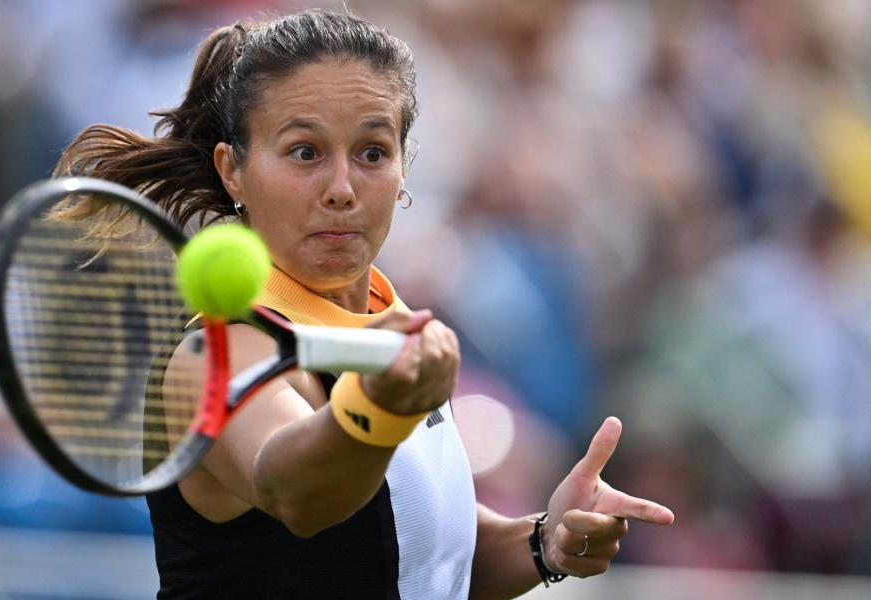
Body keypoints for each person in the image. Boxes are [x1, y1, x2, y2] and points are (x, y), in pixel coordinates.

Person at [53, 9, 674, 599]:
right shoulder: (214, 353)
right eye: (305, 152)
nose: (343, 188)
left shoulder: (385, 313)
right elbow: (296, 491)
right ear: (232, 170)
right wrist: (378, 408)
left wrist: (546, 541)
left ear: (405, 173)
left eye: (372, 153)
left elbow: (416, 557)